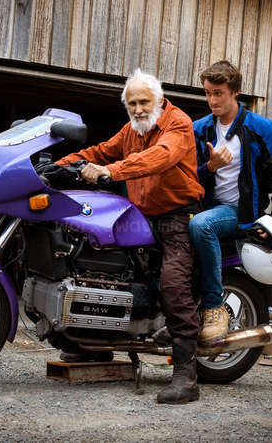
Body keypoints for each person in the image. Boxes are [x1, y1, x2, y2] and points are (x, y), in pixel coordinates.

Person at [57, 68, 205, 404]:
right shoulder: (131, 130)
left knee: (172, 283)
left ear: (159, 100)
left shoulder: (177, 124)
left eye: (143, 102)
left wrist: (112, 172)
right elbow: (100, 152)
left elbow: (158, 157)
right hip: (139, 214)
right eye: (132, 103)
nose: (138, 109)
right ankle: (92, 345)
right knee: (96, 262)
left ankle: (186, 374)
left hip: (176, 217)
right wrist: (56, 166)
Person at [190, 61, 272, 345]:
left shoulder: (263, 129)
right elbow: (184, 176)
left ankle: (213, 306)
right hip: (203, 206)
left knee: (202, 225)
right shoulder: (198, 129)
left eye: (219, 93)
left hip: (239, 213)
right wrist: (209, 168)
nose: (212, 100)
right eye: (208, 93)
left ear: (236, 92)